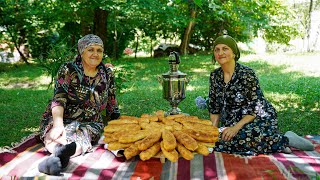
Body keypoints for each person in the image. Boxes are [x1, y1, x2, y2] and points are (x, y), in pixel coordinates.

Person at [208, 34, 314, 155]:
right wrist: (213, 132)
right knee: (220, 140)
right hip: (232, 120)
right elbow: (214, 108)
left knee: (242, 137)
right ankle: (276, 143)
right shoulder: (214, 76)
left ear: (234, 53)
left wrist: (235, 128)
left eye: (225, 48)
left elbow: (255, 107)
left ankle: (286, 139)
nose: (220, 52)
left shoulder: (247, 74)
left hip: (258, 116)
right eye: (217, 49)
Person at [38, 34, 120, 175]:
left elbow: (112, 100)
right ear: (82, 52)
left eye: (99, 50)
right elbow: (59, 98)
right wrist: (58, 124)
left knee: (83, 140)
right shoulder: (68, 69)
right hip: (63, 116)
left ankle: (61, 155)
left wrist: (118, 124)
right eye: (91, 49)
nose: (95, 54)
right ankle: (58, 153)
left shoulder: (107, 73)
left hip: (91, 121)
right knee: (56, 134)